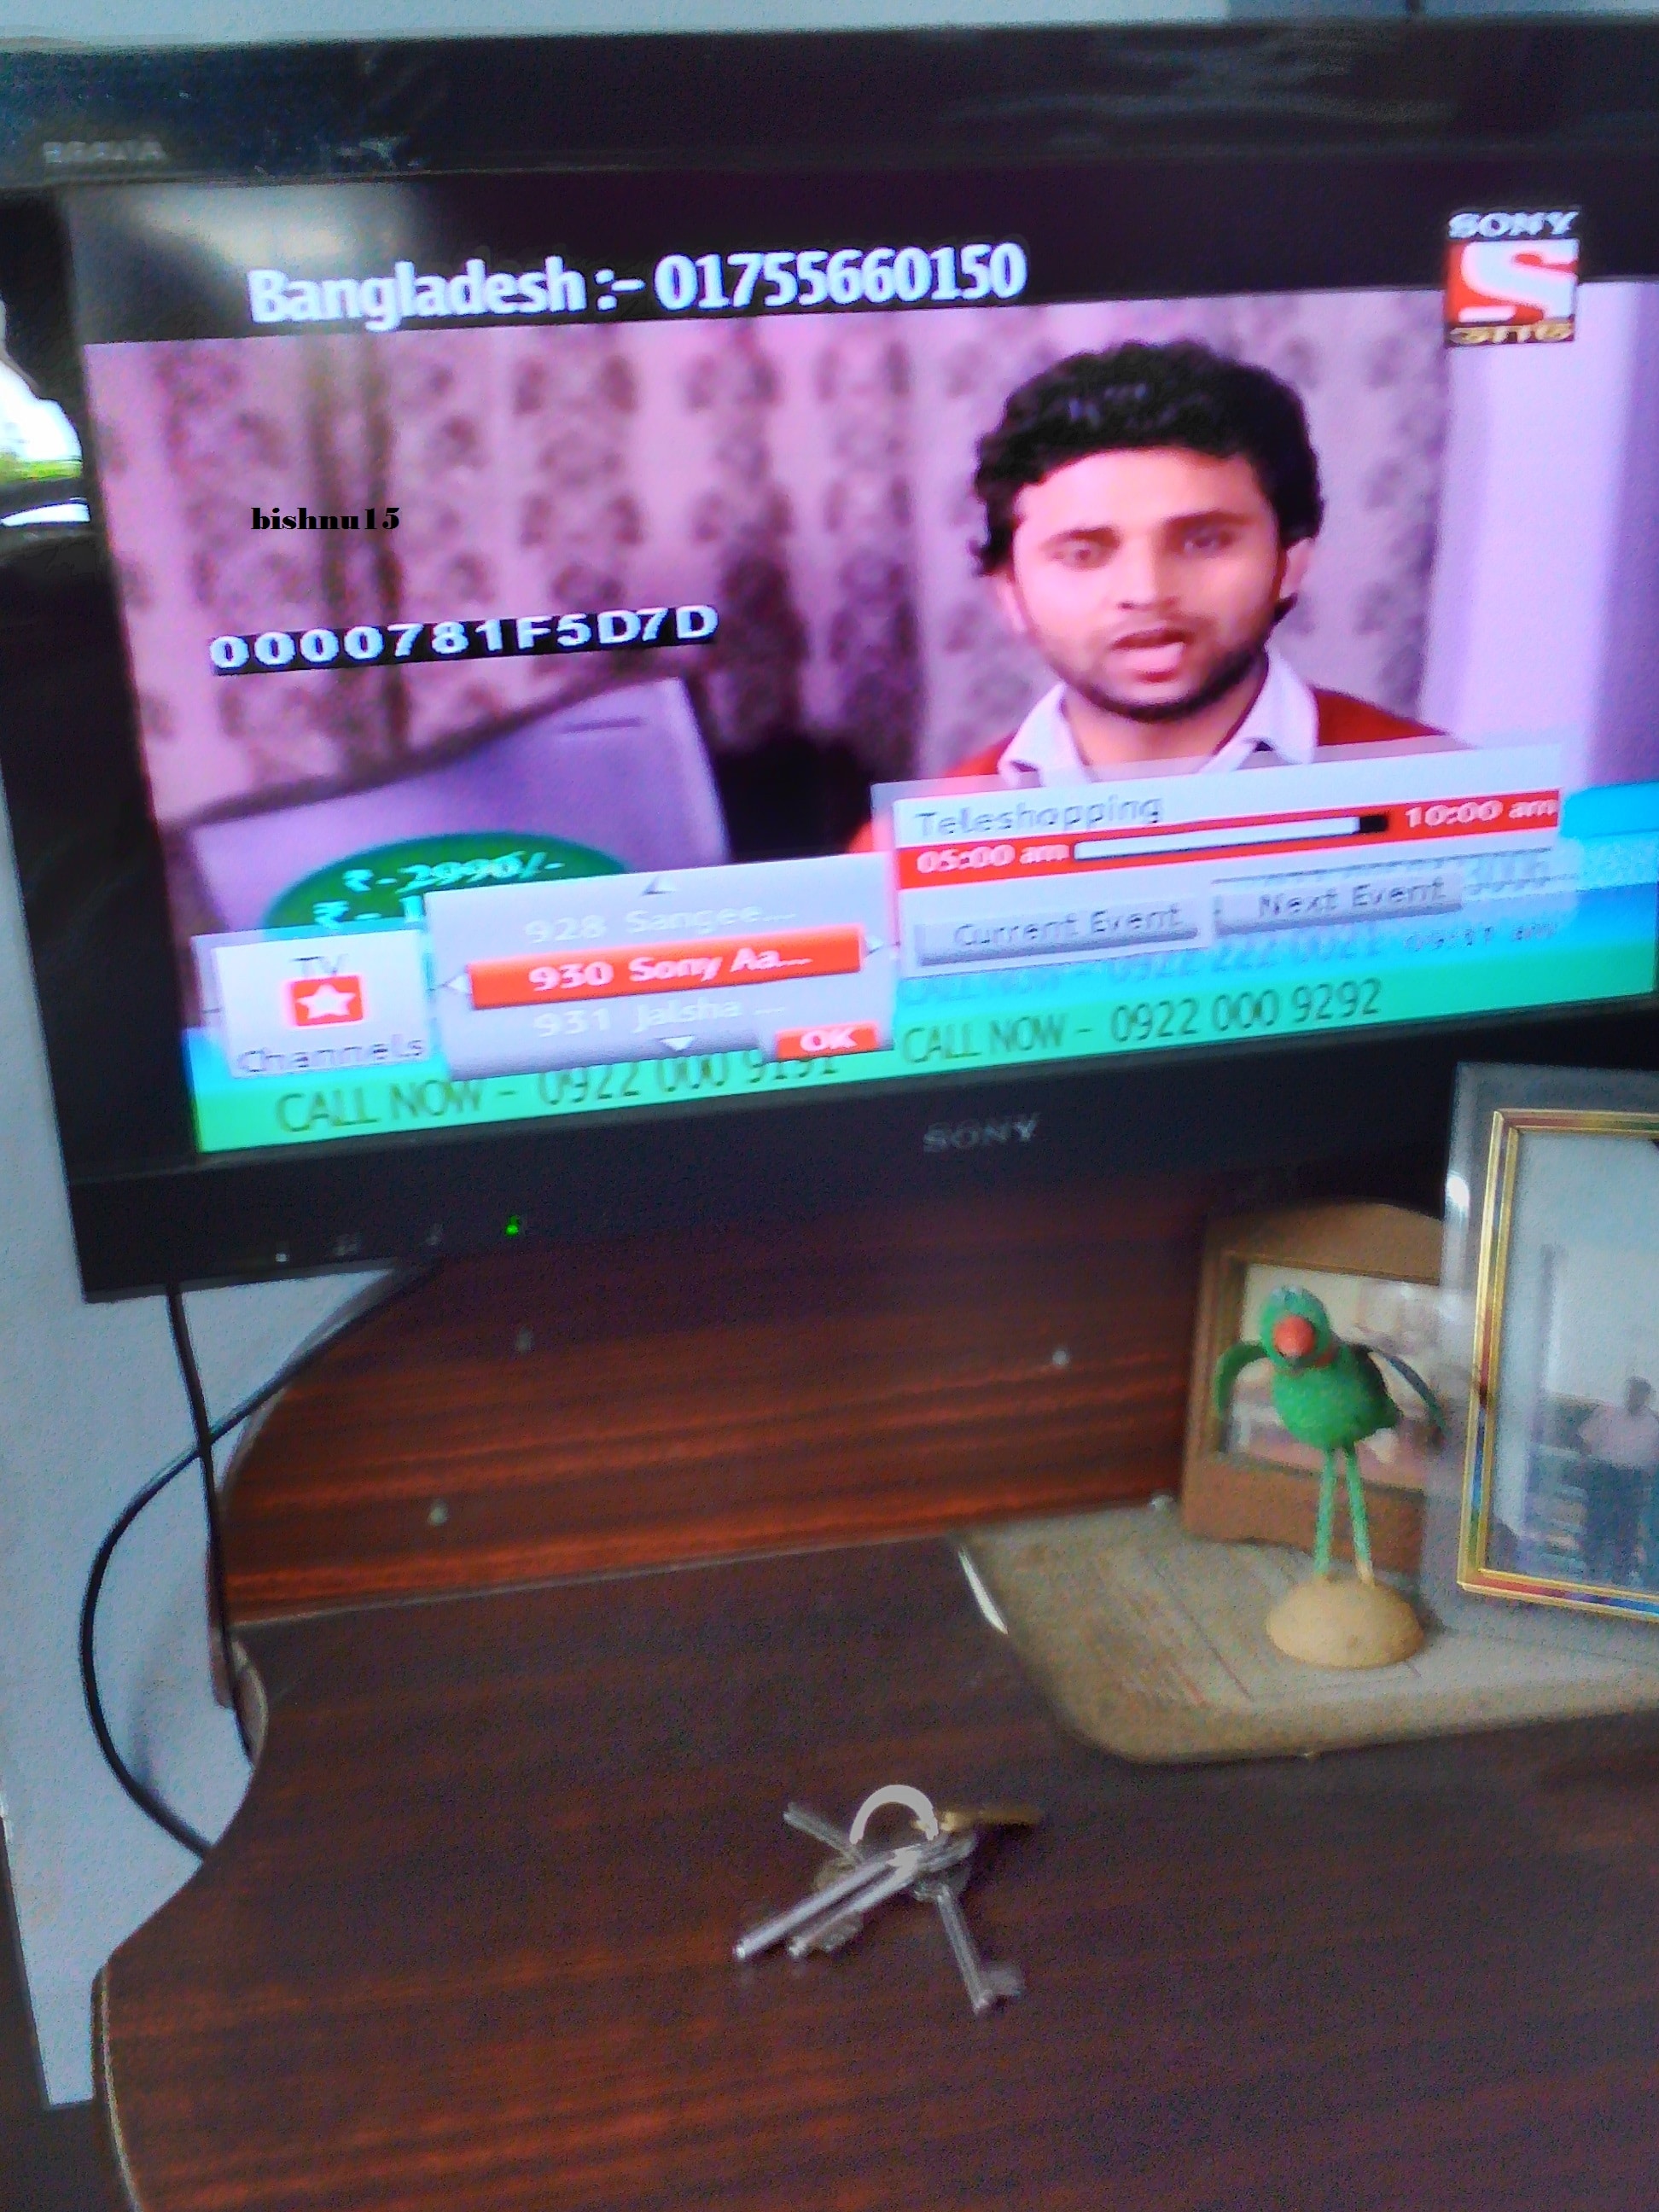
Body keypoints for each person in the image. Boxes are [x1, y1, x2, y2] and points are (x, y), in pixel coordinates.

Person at [946, 341, 1447, 787]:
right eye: (1084, 554)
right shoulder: (923, 836)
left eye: (1203, 542)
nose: (1146, 592)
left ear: (1290, 563)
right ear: (1009, 593)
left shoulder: (1439, 789)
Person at [1576, 1377, 1659, 1587]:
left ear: (1647, 1398)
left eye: (1641, 1394)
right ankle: (1591, 1570)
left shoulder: (1652, 1426)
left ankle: (1620, 1576)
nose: (1636, 1397)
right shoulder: (1608, 1414)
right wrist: (1584, 1466)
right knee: (1597, 1523)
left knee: (1627, 1529)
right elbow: (1586, 1441)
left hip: (1633, 1480)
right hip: (1605, 1475)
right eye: (1633, 1392)